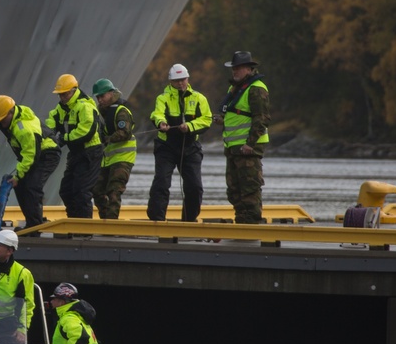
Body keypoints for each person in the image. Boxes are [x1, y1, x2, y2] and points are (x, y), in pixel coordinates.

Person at [146, 63, 213, 222]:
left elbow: (206, 119)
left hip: (190, 148)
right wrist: (161, 124)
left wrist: (189, 126)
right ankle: (157, 219)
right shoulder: (163, 98)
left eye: (183, 79)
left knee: (195, 187)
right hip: (166, 147)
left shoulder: (199, 98)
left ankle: (189, 220)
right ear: (171, 82)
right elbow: (157, 114)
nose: (180, 83)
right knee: (161, 183)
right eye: (177, 80)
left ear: (188, 78)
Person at [0, 95, 61, 231]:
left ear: (11, 112)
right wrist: (19, 178)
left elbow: (30, 155)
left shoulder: (23, 129)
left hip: (47, 154)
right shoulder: (12, 121)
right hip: (35, 154)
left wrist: (18, 175)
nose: (1, 122)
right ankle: (32, 221)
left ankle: (35, 226)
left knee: (32, 187)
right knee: (21, 185)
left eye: (3, 118)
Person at [219, 51, 270, 224]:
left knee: (249, 188)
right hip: (233, 147)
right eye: (234, 68)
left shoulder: (256, 88)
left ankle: (252, 222)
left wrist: (250, 144)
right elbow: (237, 114)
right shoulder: (235, 88)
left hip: (248, 148)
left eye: (239, 68)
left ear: (249, 69)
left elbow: (261, 118)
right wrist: (221, 120)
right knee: (234, 189)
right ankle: (242, 221)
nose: (235, 71)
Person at [45, 74, 103, 218]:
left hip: (91, 153)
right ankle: (73, 221)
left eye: (64, 94)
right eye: (60, 94)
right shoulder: (62, 108)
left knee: (82, 191)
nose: (62, 97)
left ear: (73, 90)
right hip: (76, 153)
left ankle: (84, 228)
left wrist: (64, 138)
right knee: (66, 190)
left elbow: (86, 132)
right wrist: (48, 135)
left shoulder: (85, 106)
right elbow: (52, 120)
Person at [90, 79, 137, 219]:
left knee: (114, 191)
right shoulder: (102, 113)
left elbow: (124, 132)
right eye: (98, 97)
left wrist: (107, 139)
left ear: (111, 93)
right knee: (97, 190)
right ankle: (105, 218)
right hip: (108, 159)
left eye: (102, 96)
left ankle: (111, 223)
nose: (100, 100)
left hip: (123, 158)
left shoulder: (121, 111)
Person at [26, 282, 101, 344]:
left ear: (62, 302)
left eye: (54, 299)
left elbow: (80, 337)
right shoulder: (76, 317)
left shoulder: (69, 318)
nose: (51, 302)